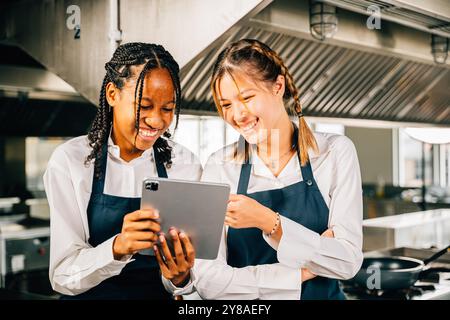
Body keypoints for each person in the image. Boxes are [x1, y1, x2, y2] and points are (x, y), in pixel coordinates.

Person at [156, 39, 363, 300]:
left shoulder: (334, 153)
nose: (238, 114)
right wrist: (303, 269)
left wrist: (267, 221)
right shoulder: (220, 167)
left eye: (247, 97)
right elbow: (208, 281)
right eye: (227, 105)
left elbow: (348, 262)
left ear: (278, 86)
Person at [43, 42, 201, 299]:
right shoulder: (70, 162)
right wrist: (118, 247)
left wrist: (180, 278)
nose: (157, 121)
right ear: (112, 94)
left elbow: (187, 283)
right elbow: (62, 276)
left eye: (168, 108)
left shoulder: (185, 164)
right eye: (145, 106)